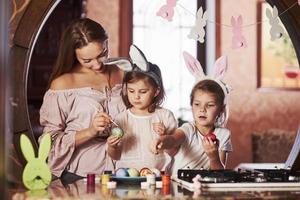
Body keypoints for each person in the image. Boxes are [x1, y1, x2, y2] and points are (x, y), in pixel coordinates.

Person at [39, 18, 126, 182]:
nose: (98, 65)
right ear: (73, 55)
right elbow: (48, 143)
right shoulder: (62, 85)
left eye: (102, 54)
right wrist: (90, 131)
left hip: (127, 171)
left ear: (107, 43)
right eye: (87, 61)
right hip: (80, 174)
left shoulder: (122, 73)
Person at [151, 52, 233, 176]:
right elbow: (173, 139)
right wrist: (161, 140)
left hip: (204, 189)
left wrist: (213, 157)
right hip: (178, 186)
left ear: (220, 110)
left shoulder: (223, 135)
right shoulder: (189, 129)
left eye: (209, 105)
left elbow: (219, 174)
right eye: (197, 104)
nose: (202, 109)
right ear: (191, 106)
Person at [106, 45, 177, 173]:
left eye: (143, 91)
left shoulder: (165, 116)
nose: (136, 96)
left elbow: (174, 152)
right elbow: (115, 156)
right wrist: (112, 146)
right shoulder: (121, 119)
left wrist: (164, 137)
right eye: (131, 91)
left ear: (156, 91)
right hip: (126, 177)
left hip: (156, 177)